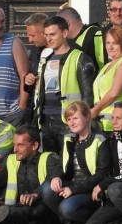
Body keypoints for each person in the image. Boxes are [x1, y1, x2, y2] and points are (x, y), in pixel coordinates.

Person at [40, 101, 107, 224]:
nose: (71, 123)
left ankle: (78, 220)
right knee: (46, 189)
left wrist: (73, 189)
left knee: (67, 208)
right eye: (69, 119)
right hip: (72, 185)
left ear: (87, 116)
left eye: (75, 118)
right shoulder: (68, 139)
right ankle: (69, 220)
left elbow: (103, 173)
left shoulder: (100, 139)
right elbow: (60, 164)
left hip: (90, 189)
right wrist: (56, 177)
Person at [34, 16, 95, 153]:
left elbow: (88, 94)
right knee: (50, 164)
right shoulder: (45, 60)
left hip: (68, 121)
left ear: (65, 33)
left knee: (69, 163)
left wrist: (80, 121)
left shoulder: (80, 58)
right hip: (46, 121)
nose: (49, 39)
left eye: (53, 34)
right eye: (46, 35)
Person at [91, 26, 122, 132]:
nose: (110, 47)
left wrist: (94, 110)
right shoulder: (107, 65)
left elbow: (114, 93)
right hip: (104, 124)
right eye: (108, 43)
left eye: (115, 43)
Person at [58, 6, 106, 71]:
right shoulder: (74, 40)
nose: (58, 30)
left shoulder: (94, 35)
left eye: (59, 26)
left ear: (66, 23)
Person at [23, 12, 50, 122]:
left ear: (44, 32)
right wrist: (28, 80)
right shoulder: (35, 50)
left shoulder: (65, 51)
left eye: (32, 35)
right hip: (37, 112)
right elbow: (31, 74)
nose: (29, 40)